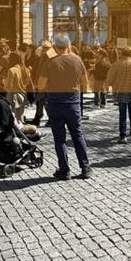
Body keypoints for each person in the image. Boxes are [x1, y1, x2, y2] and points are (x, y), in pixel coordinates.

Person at [41, 33, 91, 180]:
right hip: (73, 103)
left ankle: (64, 170)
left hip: (55, 103)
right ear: (69, 45)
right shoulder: (77, 60)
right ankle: (85, 168)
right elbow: (85, 83)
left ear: (55, 46)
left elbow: (40, 84)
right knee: (77, 135)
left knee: (59, 138)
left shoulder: (50, 62)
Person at [106, 46, 131, 141]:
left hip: (120, 92)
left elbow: (109, 80)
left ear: (122, 53)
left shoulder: (116, 65)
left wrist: (110, 87)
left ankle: (122, 135)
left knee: (122, 114)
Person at [3, 51, 31, 125]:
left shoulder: (12, 70)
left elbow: (9, 87)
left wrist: (4, 82)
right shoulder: (26, 69)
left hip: (13, 95)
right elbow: (28, 82)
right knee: (20, 118)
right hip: (23, 94)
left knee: (13, 118)